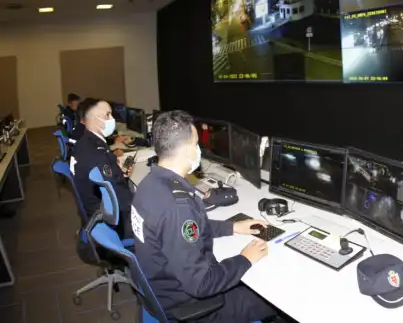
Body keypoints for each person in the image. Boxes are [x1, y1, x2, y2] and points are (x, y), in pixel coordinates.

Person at [131, 111, 279, 323]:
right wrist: (245, 258)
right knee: (274, 300)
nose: (198, 149)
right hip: (194, 307)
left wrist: (233, 227)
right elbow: (201, 284)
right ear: (185, 149)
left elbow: (188, 228)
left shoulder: (150, 183)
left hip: (164, 288)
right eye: (196, 143)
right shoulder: (177, 206)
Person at [71, 99, 134, 239]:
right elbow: (120, 196)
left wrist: (119, 172)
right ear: (94, 119)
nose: (112, 119)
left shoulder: (87, 141)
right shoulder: (96, 152)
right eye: (107, 115)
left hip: (96, 211)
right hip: (114, 220)